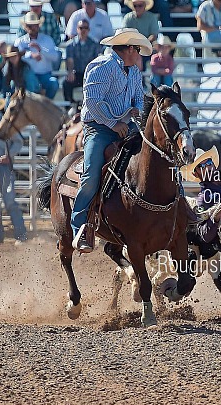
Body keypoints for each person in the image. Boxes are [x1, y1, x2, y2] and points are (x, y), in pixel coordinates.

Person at [71, 28, 151, 252]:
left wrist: (139, 110)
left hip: (127, 126)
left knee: (155, 158)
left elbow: (138, 98)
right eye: (137, 49)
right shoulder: (101, 66)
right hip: (99, 128)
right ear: (128, 48)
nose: (138, 54)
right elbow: (93, 102)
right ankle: (79, 227)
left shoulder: (133, 71)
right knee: (91, 173)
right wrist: (114, 124)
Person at [0, 102, 28, 244]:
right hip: (2, 166)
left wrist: (9, 156)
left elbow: (18, 141)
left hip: (3, 166)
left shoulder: (6, 123)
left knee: (9, 200)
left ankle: (20, 234)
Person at [14, 12, 61, 98]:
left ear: (38, 25)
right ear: (25, 27)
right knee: (30, 79)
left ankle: (45, 104)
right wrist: (30, 55)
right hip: (27, 75)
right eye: (29, 26)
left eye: (34, 25)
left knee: (54, 84)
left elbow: (55, 57)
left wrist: (41, 50)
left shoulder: (47, 40)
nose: (32, 28)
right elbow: (15, 57)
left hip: (45, 74)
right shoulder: (20, 41)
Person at [63, 19, 102, 103]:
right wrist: (70, 72)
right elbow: (70, 60)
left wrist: (91, 75)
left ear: (89, 29)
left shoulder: (94, 44)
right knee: (66, 83)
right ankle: (70, 105)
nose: (83, 30)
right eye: (81, 28)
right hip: (76, 74)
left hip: (89, 74)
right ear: (77, 29)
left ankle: (91, 105)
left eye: (85, 28)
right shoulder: (70, 45)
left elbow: (95, 61)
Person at [123, 0, 159, 74]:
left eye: (140, 5)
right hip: (131, 47)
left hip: (148, 47)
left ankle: (143, 80)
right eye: (135, 6)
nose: (137, 8)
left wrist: (143, 44)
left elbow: (154, 35)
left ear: (145, 6)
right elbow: (125, 34)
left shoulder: (151, 17)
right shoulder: (128, 17)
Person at [169, 0, 203, 72]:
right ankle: (168, 64)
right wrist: (186, 9)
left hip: (190, 20)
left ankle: (199, 65)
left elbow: (194, 7)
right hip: (176, 20)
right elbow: (170, 9)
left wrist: (180, 9)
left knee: (198, 38)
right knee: (171, 39)